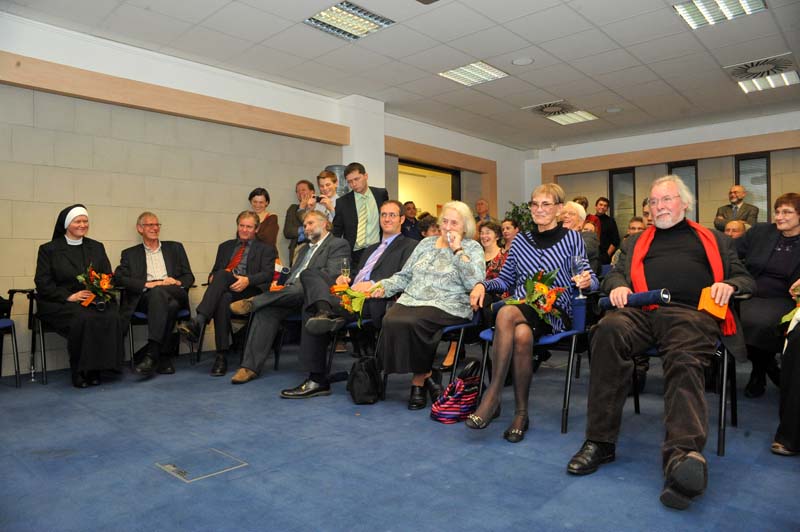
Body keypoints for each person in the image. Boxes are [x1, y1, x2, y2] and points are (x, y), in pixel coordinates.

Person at [566, 175, 754, 511]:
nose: (659, 207)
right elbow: (614, 273)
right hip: (642, 311)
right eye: (653, 202)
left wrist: (730, 285)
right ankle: (600, 441)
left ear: (685, 203)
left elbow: (744, 278)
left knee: (683, 357)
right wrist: (618, 285)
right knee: (607, 330)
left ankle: (681, 457)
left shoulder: (714, 239)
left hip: (690, 315)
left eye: (666, 199)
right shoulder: (636, 241)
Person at [467, 185, 598, 443]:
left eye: (546, 204)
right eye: (535, 204)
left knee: (506, 314)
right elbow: (505, 280)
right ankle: (521, 415)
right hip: (522, 308)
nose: (539, 209)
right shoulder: (520, 241)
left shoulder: (573, 239)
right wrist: (483, 284)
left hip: (553, 310)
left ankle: (492, 396)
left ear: (559, 209)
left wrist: (586, 281)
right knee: (522, 334)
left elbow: (590, 277)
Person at [287, 201, 418, 396]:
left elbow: (406, 277)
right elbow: (358, 273)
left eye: (392, 215)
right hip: (347, 294)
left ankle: (317, 379)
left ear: (402, 219)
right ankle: (325, 311)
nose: (387, 219)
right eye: (383, 215)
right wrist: (345, 279)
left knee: (311, 306)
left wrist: (373, 284)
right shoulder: (371, 248)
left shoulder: (411, 246)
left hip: (372, 298)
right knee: (310, 273)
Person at [371, 201, 484, 410]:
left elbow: (475, 282)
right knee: (390, 319)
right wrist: (383, 286)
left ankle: (418, 383)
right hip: (413, 299)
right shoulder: (425, 244)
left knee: (415, 322)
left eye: (454, 223)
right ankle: (429, 375)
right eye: (445, 221)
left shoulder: (472, 247)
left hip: (449, 303)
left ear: (465, 227)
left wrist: (457, 250)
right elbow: (405, 276)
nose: (448, 227)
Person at [227, 210, 351, 388]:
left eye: (310, 223)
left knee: (303, 281)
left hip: (315, 296)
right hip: (291, 294)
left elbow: (332, 274)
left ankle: (254, 302)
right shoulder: (303, 249)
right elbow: (292, 275)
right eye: (304, 225)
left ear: (324, 224)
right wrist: (280, 283)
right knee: (267, 310)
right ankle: (249, 367)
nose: (306, 228)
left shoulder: (338, 244)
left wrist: (300, 281)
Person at [34, 204, 124, 388]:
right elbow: (42, 282)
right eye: (78, 221)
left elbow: (107, 275)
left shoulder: (96, 247)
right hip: (61, 302)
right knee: (84, 317)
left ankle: (99, 368)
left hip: (93, 299)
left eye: (85, 221)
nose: (82, 225)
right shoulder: (49, 249)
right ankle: (80, 370)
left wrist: (100, 288)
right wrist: (70, 297)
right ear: (67, 224)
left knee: (111, 315)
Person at [178, 211, 276, 376]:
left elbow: (267, 274)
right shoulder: (225, 246)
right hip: (227, 288)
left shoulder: (266, 248)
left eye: (249, 227)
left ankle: (199, 320)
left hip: (250, 290)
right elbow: (215, 270)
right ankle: (221, 356)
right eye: (241, 226)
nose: (244, 230)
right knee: (223, 297)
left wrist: (247, 280)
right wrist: (212, 276)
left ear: (256, 229)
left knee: (223, 276)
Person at [736, 193, 800, 398]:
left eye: (787, 212)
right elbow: (730, 252)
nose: (779, 217)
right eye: (777, 212)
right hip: (751, 292)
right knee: (733, 318)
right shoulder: (761, 232)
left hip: (785, 298)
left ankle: (758, 372)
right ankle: (769, 366)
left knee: (762, 324)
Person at [116, 212, 195, 376]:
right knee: (169, 305)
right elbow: (119, 278)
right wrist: (147, 284)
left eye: (157, 224)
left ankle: (151, 355)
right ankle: (163, 356)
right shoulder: (130, 254)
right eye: (149, 225)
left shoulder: (175, 248)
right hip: (148, 297)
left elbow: (189, 277)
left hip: (175, 291)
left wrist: (176, 282)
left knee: (162, 293)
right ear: (140, 229)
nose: (154, 228)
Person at [332, 162, 389, 265]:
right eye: (350, 181)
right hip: (354, 254)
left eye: (356, 179)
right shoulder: (342, 202)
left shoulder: (381, 194)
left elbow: (388, 220)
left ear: (365, 176)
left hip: (378, 250)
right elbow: (337, 230)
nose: (353, 184)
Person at [561, 201, 600, 274]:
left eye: (571, 213)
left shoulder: (589, 237)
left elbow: (576, 253)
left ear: (581, 221)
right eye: (563, 213)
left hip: (582, 278)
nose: (565, 215)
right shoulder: (560, 235)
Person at [284, 180, 316, 266]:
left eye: (303, 190)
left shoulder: (318, 208)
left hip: (313, 249)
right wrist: (306, 230)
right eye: (297, 191)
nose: (300, 193)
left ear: (312, 192)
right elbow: (287, 232)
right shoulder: (293, 208)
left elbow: (316, 231)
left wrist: (302, 209)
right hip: (296, 249)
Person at [595, 196, 620, 265]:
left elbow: (615, 240)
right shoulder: (590, 220)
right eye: (600, 204)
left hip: (605, 257)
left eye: (605, 206)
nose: (602, 207)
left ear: (607, 209)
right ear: (596, 206)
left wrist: (607, 255)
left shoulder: (611, 221)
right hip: (592, 255)